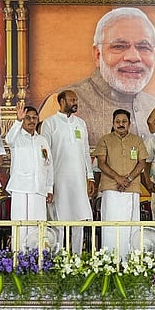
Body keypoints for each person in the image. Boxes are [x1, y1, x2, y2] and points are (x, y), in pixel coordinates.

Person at [40, 7, 155, 144]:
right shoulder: (62, 102)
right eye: (119, 46)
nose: (133, 57)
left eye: (144, 47)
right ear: (97, 54)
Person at [40, 90, 96, 254]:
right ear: (62, 101)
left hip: (79, 181)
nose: (75, 102)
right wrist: (49, 186)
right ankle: (59, 258)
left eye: (76, 99)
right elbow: (46, 157)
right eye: (72, 99)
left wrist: (90, 177)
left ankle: (77, 258)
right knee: (60, 220)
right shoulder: (49, 124)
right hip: (59, 180)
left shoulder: (81, 123)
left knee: (79, 219)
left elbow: (86, 152)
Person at [94, 109, 146, 258]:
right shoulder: (105, 140)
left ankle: (130, 261)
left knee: (131, 226)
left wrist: (128, 179)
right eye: (117, 122)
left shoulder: (137, 140)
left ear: (129, 123)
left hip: (131, 189)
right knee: (111, 225)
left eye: (124, 122)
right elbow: (101, 163)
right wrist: (118, 178)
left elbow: (142, 163)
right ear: (113, 123)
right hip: (111, 189)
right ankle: (110, 260)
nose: (121, 124)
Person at [5, 105, 54, 250]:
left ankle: (37, 257)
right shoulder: (17, 137)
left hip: (39, 188)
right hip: (20, 187)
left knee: (37, 224)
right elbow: (8, 139)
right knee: (20, 224)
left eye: (34, 118)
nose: (31, 121)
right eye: (28, 118)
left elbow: (48, 165)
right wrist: (18, 121)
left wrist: (49, 188)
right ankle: (18, 258)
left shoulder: (42, 140)